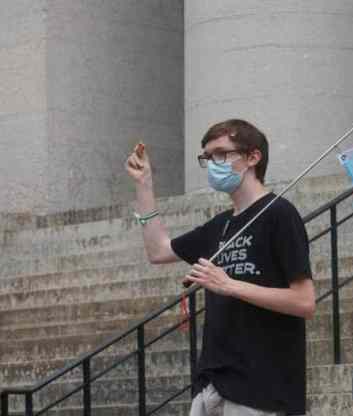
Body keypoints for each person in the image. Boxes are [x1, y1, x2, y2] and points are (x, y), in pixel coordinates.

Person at [125, 119, 316, 416]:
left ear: (253, 157)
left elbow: (305, 302)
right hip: (212, 385)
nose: (213, 164)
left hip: (262, 389)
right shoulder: (221, 224)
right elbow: (158, 251)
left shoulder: (279, 214)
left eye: (222, 154)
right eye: (208, 157)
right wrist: (144, 185)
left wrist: (228, 285)